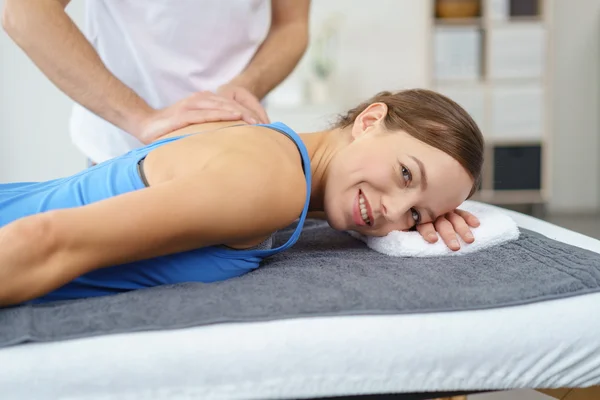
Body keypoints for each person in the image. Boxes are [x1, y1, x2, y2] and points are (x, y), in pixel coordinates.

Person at [0, 89, 484, 307]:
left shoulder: (267, 144)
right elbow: (46, 242)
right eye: (405, 174)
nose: (394, 213)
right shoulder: (273, 184)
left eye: (417, 212)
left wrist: (432, 217)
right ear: (368, 121)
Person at [2, 0, 311, 163]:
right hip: (120, 148)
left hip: (231, 141)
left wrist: (247, 84)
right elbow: (25, 11)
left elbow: (291, 25)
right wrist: (141, 118)